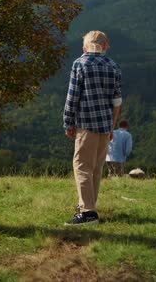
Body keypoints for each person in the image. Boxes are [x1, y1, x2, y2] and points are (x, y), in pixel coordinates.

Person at [63, 31, 122, 226]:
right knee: (96, 168)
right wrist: (112, 126)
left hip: (86, 124)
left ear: (85, 47)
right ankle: (89, 206)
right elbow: (116, 103)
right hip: (105, 126)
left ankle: (87, 212)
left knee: (81, 167)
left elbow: (72, 98)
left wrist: (68, 122)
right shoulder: (113, 66)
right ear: (106, 46)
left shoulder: (80, 64)